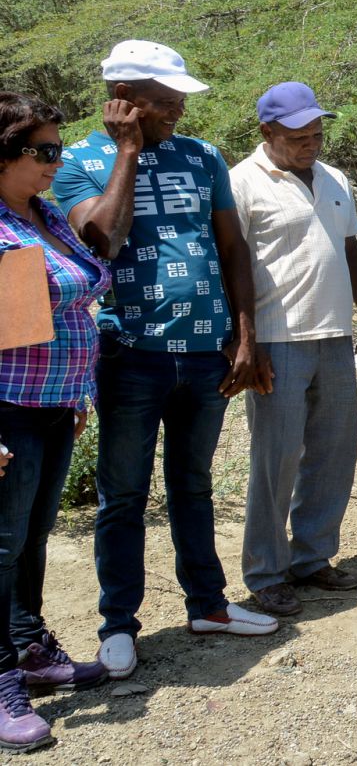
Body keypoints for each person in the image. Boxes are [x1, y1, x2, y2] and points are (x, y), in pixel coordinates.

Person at [53, 41, 279, 680]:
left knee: (194, 484)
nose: (180, 108)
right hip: (131, 354)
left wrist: (245, 335)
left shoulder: (202, 156)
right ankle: (118, 625)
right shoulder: (77, 163)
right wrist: (127, 152)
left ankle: (207, 604)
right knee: (122, 495)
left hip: (204, 349)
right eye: (166, 99)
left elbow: (232, 248)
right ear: (124, 100)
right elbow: (102, 237)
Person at [231, 82, 357, 617]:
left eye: (316, 132)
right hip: (277, 339)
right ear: (267, 133)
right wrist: (246, 342)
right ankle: (266, 573)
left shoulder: (334, 178)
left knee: (334, 451)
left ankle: (312, 557)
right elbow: (231, 267)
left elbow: (347, 248)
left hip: (334, 334)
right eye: (298, 136)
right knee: (277, 458)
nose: (311, 143)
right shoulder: (242, 183)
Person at [0, 93, 111, 753]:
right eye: (44, 151)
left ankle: (29, 645)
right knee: (2, 543)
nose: (56, 163)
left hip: (54, 403)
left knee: (32, 537)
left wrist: (75, 396)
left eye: (58, 149)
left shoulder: (41, 217)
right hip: (8, 407)